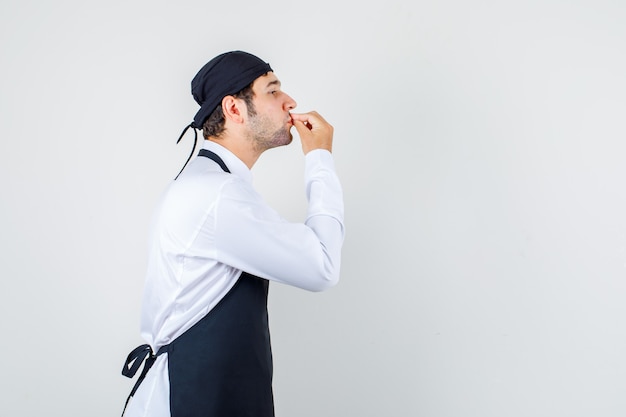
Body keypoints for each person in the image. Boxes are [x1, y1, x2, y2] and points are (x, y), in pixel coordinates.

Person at [120, 50, 345, 417]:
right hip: (190, 400)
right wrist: (319, 157)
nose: (290, 102)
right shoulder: (217, 194)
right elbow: (321, 265)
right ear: (234, 109)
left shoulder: (209, 185)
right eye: (272, 91)